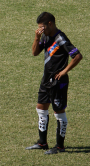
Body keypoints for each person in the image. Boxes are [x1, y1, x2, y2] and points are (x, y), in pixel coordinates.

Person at [26, 12, 83, 154]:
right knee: (41, 108)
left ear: (50, 23)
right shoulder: (45, 36)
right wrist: (36, 37)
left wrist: (64, 71)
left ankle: (59, 147)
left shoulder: (60, 38)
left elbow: (77, 56)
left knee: (59, 112)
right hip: (46, 80)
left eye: (42, 27)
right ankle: (42, 143)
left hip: (58, 82)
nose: (40, 29)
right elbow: (34, 53)